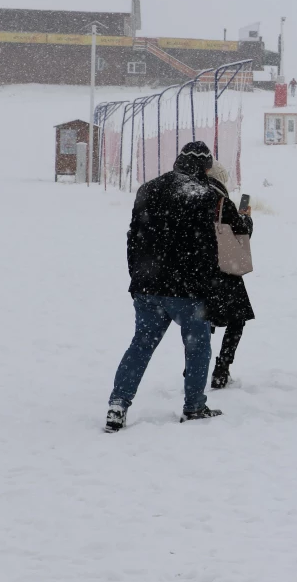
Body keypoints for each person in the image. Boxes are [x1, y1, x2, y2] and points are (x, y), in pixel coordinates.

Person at [105, 141, 224, 431]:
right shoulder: (205, 195)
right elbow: (209, 247)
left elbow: (133, 237)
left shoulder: (148, 189)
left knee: (141, 345)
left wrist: (137, 278)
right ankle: (194, 406)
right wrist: (210, 286)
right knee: (197, 348)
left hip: (147, 286)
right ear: (204, 167)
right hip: (187, 290)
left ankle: (117, 405)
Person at [205, 162, 255, 389]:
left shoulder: (191, 196)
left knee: (202, 321)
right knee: (237, 319)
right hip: (225, 271)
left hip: (196, 269)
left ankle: (194, 367)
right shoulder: (222, 202)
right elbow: (241, 234)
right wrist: (246, 219)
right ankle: (222, 369)